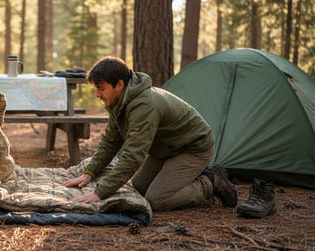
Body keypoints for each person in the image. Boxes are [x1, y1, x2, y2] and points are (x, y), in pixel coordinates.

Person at [62, 57, 238, 211]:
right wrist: (90, 172)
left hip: (193, 148)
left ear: (120, 84)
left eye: (101, 88)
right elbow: (111, 140)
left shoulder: (143, 105)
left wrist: (99, 193)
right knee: (138, 187)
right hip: (165, 149)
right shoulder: (120, 101)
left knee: (157, 199)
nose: (97, 94)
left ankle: (210, 182)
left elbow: (133, 156)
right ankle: (185, 177)